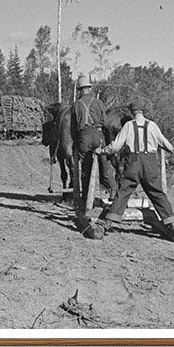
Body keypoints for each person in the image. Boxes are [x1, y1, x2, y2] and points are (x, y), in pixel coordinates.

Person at [88, 98, 174, 243]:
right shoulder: (152, 126)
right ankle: (172, 224)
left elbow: (115, 147)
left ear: (132, 112)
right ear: (143, 111)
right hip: (150, 164)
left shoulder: (128, 126)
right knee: (157, 193)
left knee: (123, 192)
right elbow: (164, 143)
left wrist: (102, 151)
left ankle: (107, 223)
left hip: (133, 163)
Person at [70, 75, 109, 232]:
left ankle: (87, 200)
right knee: (104, 166)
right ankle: (112, 195)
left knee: (86, 171)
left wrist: (77, 142)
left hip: (84, 136)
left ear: (80, 90)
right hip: (98, 135)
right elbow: (106, 123)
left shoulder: (77, 104)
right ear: (90, 89)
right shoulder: (99, 103)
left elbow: (73, 128)